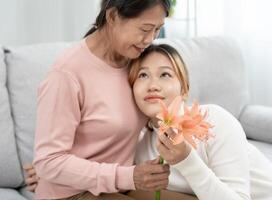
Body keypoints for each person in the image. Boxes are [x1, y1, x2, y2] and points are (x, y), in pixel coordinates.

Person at [26, 41, 272, 200]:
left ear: (184, 88)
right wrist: (53, 174)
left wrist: (186, 159)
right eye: (142, 76)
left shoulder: (214, 120)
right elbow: (106, 176)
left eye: (165, 75)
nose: (152, 84)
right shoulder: (138, 144)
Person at [27, 0, 193, 199]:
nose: (150, 39)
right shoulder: (66, 75)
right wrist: (128, 176)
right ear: (112, 16)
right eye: (145, 28)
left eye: (157, 29)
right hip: (73, 193)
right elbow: (49, 161)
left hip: (119, 185)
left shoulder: (138, 62)